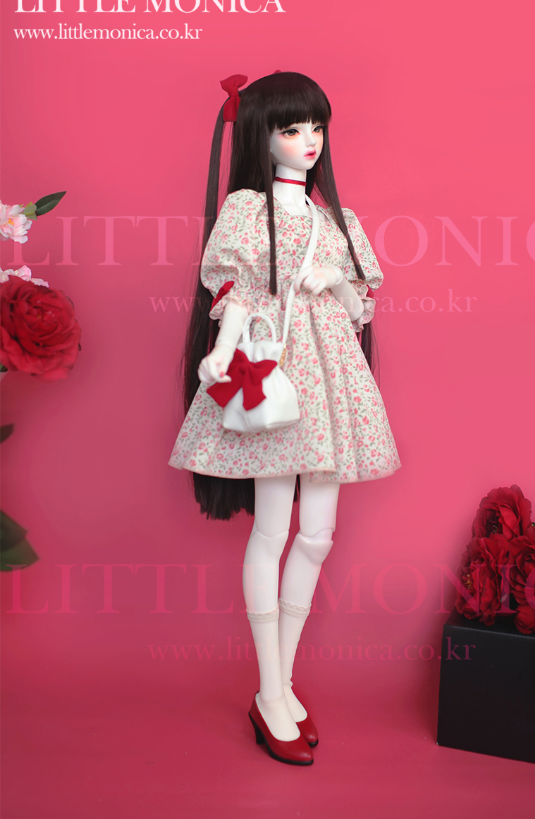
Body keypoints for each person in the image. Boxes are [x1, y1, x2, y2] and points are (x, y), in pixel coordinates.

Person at [169, 71, 401, 764]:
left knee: (317, 536)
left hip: (330, 383)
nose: (308, 140)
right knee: (272, 531)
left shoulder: (336, 221)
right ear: (259, 135)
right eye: (292, 128)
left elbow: (360, 308)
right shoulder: (247, 209)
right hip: (275, 377)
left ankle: (283, 683)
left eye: (316, 127)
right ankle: (271, 692)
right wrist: (222, 353)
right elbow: (237, 293)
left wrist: (335, 281)